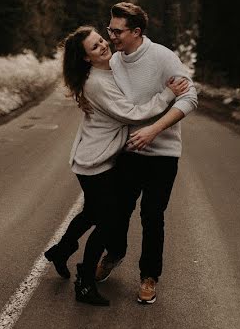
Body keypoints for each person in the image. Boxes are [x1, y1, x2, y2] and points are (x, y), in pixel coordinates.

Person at [44, 25, 189, 306]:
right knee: (108, 222)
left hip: (100, 156)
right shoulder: (97, 82)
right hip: (94, 161)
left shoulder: (109, 68)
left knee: (93, 213)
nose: (103, 46)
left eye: (101, 40)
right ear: (86, 58)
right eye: (95, 47)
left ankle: (61, 252)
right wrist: (168, 94)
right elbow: (131, 114)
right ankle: (84, 282)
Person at [98, 2, 198, 304]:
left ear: (136, 32)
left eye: (117, 31)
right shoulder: (115, 63)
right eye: (109, 29)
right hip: (127, 153)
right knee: (117, 210)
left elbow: (190, 97)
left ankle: (149, 277)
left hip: (163, 155)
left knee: (152, 216)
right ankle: (115, 253)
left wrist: (154, 130)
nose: (111, 36)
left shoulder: (163, 57)